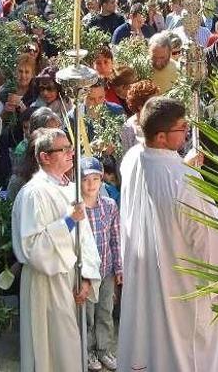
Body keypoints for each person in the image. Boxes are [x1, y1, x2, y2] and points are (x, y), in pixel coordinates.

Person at [118, 97, 218, 372]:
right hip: (183, 288)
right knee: (185, 354)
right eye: (182, 128)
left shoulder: (132, 159)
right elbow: (208, 238)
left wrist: (182, 164)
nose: (187, 131)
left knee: (151, 347)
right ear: (161, 136)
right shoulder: (186, 181)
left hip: (146, 277)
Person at [11, 128, 101, 372]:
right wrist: (69, 221)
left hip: (70, 276)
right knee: (51, 350)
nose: (71, 153)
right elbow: (32, 246)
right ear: (44, 157)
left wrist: (87, 276)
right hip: (45, 282)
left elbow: (86, 238)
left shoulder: (69, 187)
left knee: (70, 346)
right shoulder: (33, 193)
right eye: (63, 149)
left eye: (70, 148)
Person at [80, 157, 122, 372]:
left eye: (95, 178)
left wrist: (119, 268)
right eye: (86, 179)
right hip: (86, 274)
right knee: (86, 314)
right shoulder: (76, 209)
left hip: (105, 270)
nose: (91, 184)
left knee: (105, 311)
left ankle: (105, 350)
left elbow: (115, 238)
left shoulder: (109, 206)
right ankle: (88, 352)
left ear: (102, 179)